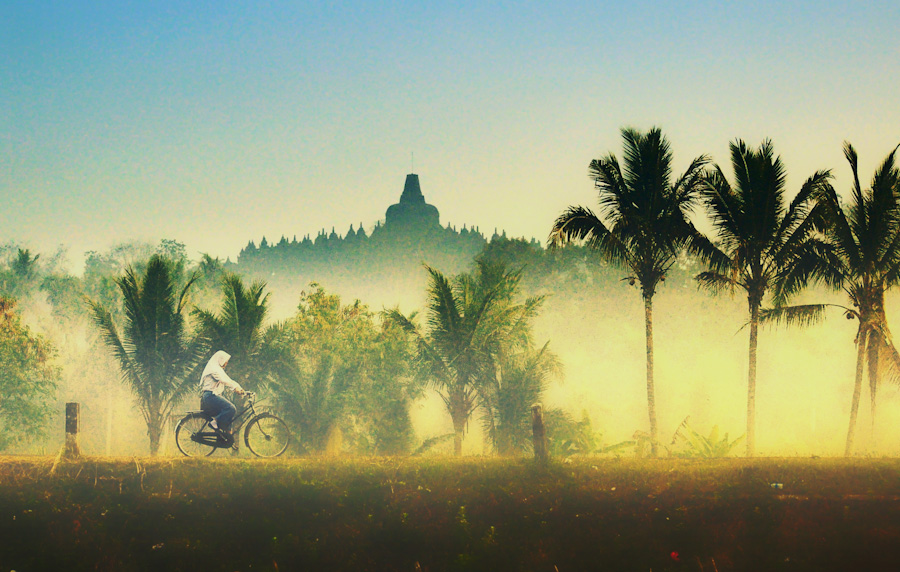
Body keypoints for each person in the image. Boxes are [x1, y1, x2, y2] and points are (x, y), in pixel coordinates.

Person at [199, 350, 245, 437]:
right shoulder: (214, 369)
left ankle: (227, 436)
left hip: (213, 396)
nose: (226, 363)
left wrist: (240, 388)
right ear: (220, 359)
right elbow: (224, 380)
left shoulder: (218, 369)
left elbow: (228, 379)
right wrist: (235, 388)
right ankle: (214, 422)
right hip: (210, 396)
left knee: (228, 416)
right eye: (225, 360)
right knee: (231, 408)